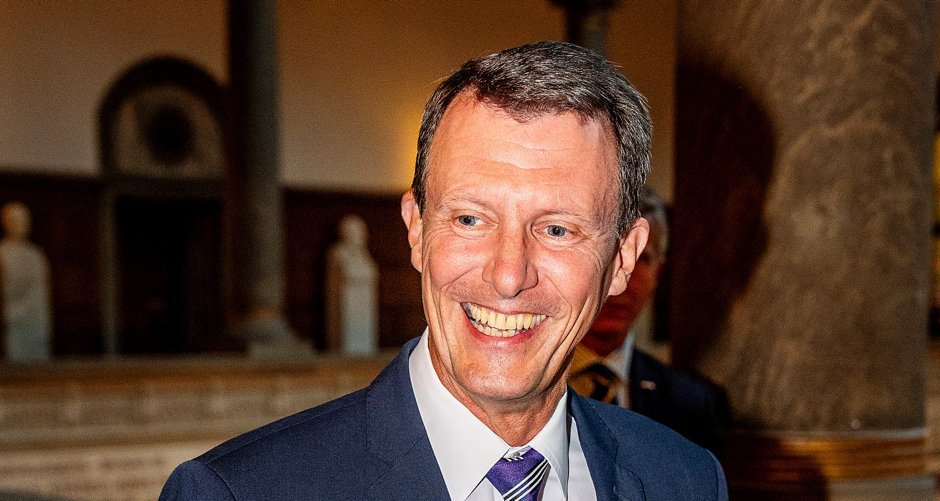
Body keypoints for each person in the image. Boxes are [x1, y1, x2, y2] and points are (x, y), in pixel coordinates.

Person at [160, 41, 727, 500]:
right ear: (416, 230)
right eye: (470, 219)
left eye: (557, 229)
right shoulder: (238, 493)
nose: (508, 276)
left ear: (623, 258)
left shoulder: (687, 480)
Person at [569, 187, 727, 454]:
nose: (621, 278)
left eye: (641, 259)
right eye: (608, 254)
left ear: (658, 273)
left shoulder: (690, 403)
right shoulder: (519, 385)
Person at [0, 201, 53, 361]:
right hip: (12, 320)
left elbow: (41, 292)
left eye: (24, 219)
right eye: (15, 220)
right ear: (5, 223)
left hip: (36, 322)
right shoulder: (2, 253)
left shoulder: (36, 255)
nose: (20, 224)